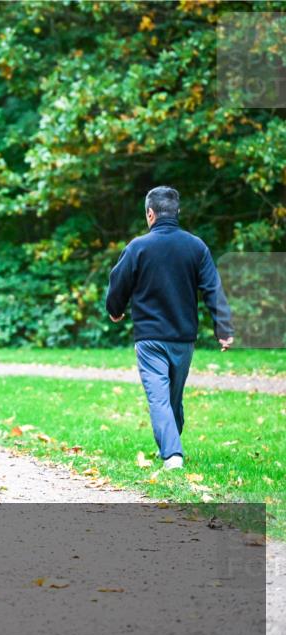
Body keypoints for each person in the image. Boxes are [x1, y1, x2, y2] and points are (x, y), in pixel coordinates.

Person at [106, 186, 234, 471]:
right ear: (177, 212)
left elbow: (118, 281)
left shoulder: (138, 247)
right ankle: (172, 453)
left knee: (165, 399)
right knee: (166, 396)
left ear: (150, 214)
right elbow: (213, 288)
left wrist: (115, 310)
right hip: (183, 339)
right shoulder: (196, 246)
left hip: (150, 337)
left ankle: (171, 449)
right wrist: (223, 328)